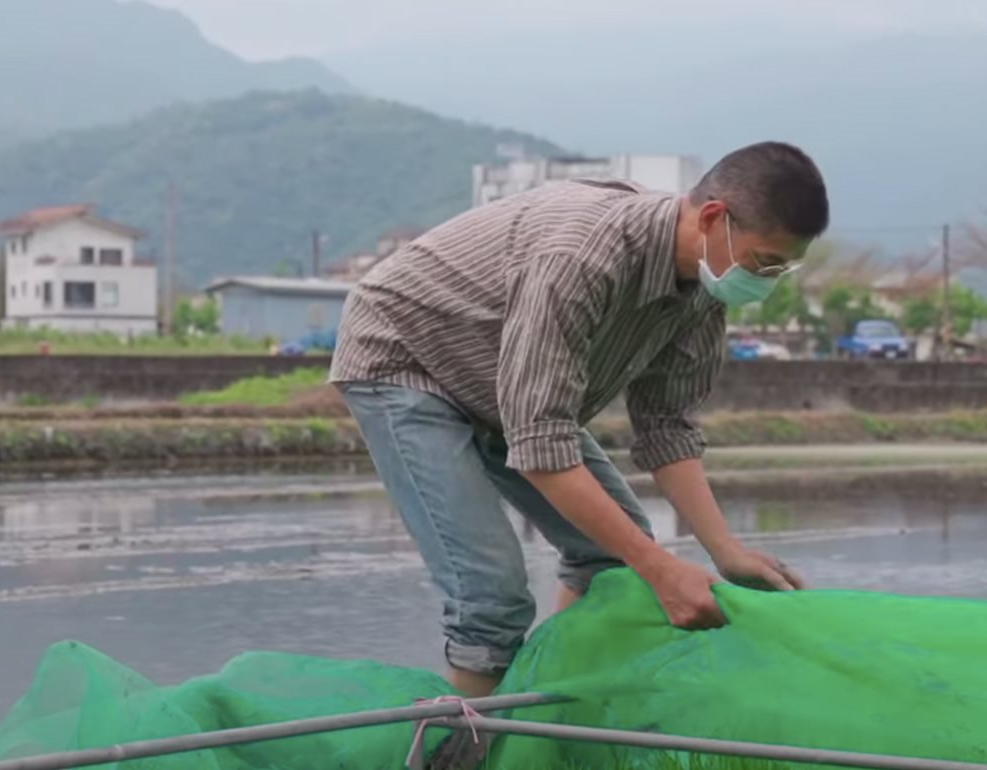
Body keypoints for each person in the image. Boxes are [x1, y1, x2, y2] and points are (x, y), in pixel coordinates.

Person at [330, 141, 829, 697]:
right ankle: (460, 750)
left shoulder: (704, 289)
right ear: (714, 218)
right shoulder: (584, 255)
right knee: (491, 597)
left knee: (611, 562)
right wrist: (661, 570)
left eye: (784, 268)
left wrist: (726, 552)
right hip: (407, 357)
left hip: (500, 375)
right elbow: (541, 443)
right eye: (765, 263)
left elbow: (667, 426)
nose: (768, 281)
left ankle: (547, 717)